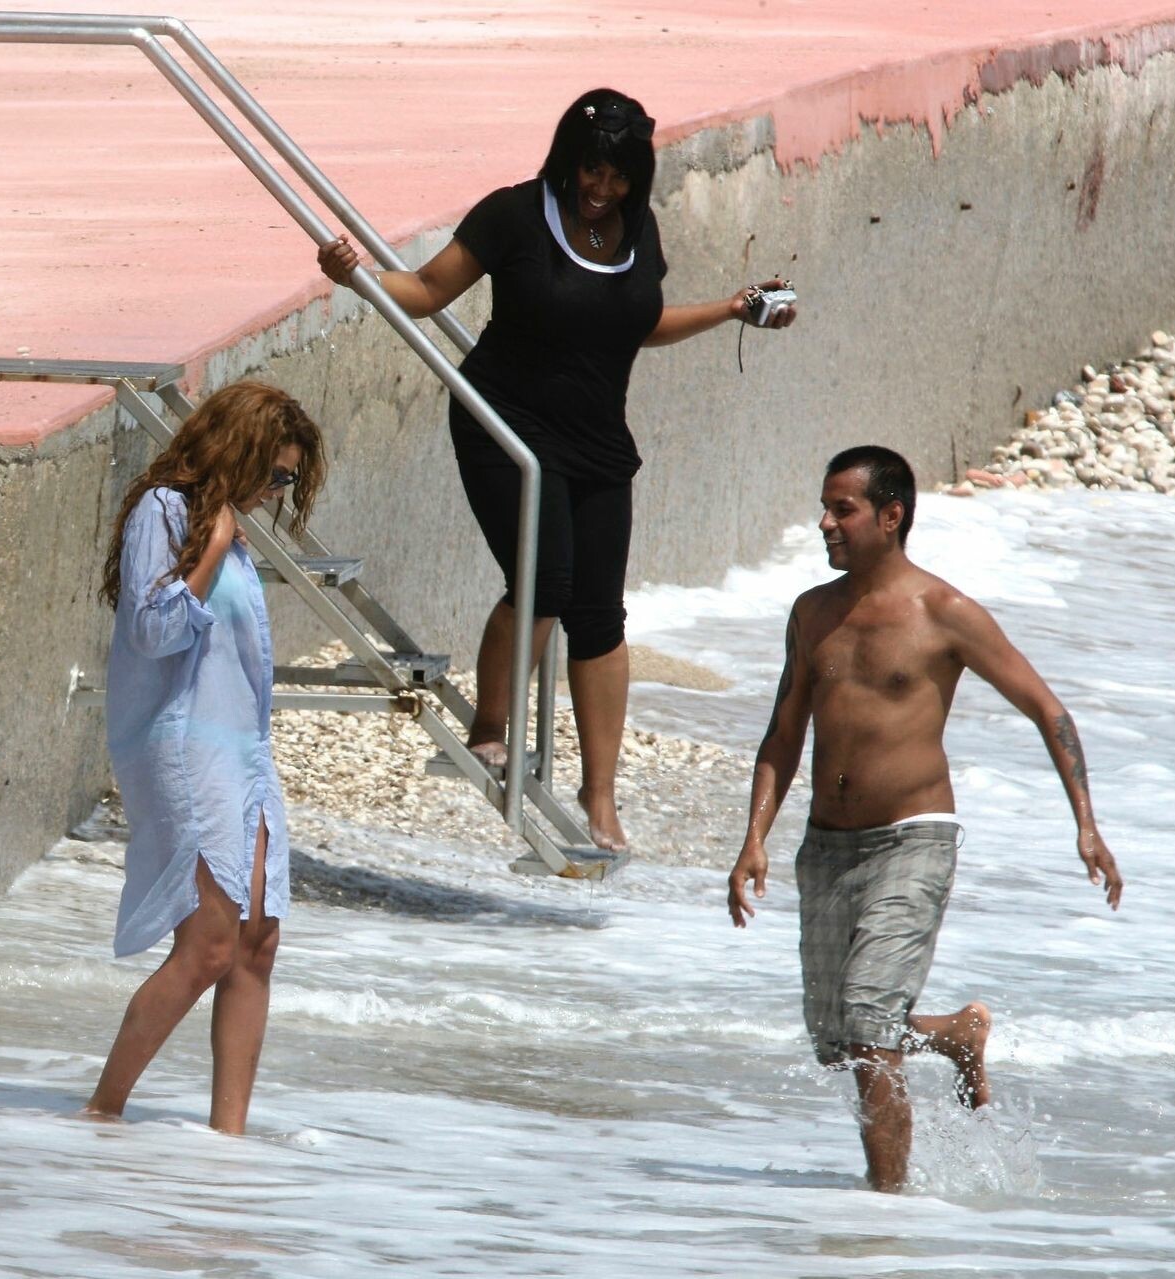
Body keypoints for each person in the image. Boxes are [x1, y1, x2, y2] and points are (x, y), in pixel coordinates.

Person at [317, 87, 795, 851]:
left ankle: (599, 795)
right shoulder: (514, 214)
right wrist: (355, 276)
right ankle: (490, 726)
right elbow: (428, 290)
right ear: (567, 160)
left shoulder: (638, 231)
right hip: (505, 424)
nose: (601, 188)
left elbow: (635, 325)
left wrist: (733, 309)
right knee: (544, 580)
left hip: (597, 438)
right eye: (590, 171)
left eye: (617, 176)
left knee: (600, 614)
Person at [726, 445, 1124, 1193]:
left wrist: (1086, 825)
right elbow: (783, 732)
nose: (826, 523)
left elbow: (1048, 710)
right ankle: (955, 1034)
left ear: (891, 516)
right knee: (839, 1041)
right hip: (827, 846)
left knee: (868, 1028)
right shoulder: (812, 613)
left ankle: (885, 1211)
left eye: (842, 509)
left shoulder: (945, 613)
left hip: (914, 839)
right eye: (825, 508)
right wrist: (754, 839)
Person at [82, 382, 327, 1133]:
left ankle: (229, 1141)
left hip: (243, 753)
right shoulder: (166, 510)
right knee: (210, 943)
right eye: (275, 473)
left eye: (287, 479)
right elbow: (152, 631)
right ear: (237, 450)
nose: (277, 490)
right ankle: (102, 1110)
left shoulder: (229, 530)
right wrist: (214, 547)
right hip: (186, 746)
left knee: (256, 944)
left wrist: (227, 541)